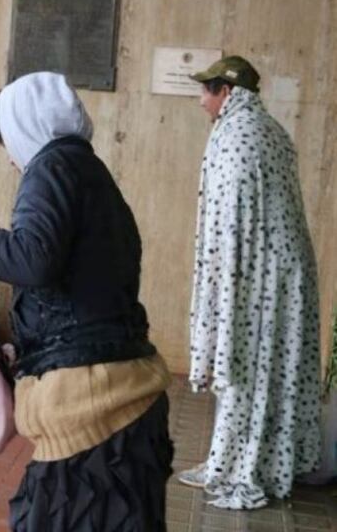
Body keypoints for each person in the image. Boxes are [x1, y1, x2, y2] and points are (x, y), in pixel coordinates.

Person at [0, 72, 172, 531]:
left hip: (91, 405)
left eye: (8, 145)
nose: (12, 161)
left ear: (25, 128)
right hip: (121, 392)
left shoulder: (52, 168)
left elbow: (32, 259)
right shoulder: (90, 174)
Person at [178, 56, 320, 509]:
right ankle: (234, 459)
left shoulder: (241, 135)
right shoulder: (265, 129)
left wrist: (225, 290)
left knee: (251, 372)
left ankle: (246, 468)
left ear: (228, 92)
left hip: (262, 280)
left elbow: (233, 223)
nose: (202, 101)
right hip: (274, 275)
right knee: (255, 372)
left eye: (207, 90)